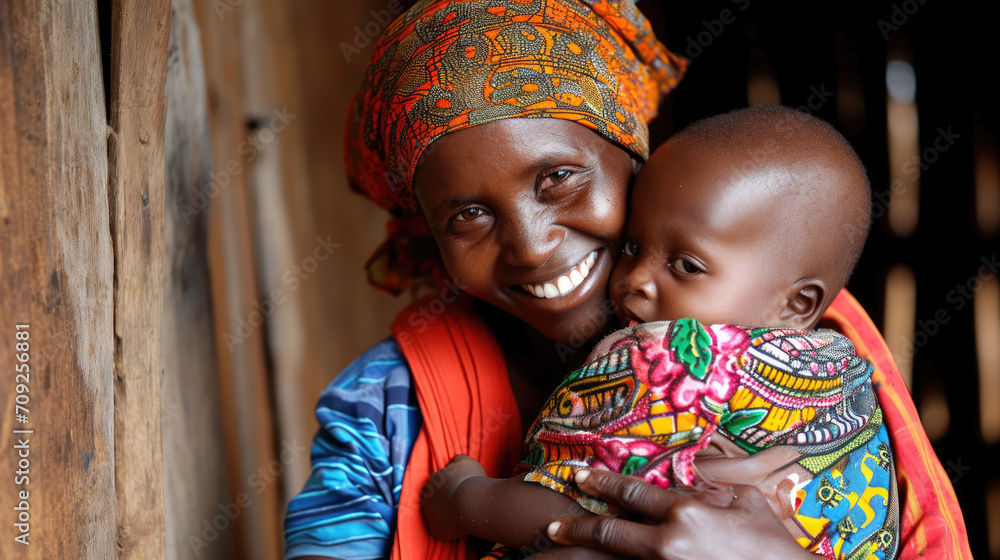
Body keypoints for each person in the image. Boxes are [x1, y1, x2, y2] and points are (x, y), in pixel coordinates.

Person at [282, 1, 972, 559]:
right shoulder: (381, 414)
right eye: (467, 215)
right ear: (430, 234)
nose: (529, 246)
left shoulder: (824, 341)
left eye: (558, 178)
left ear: (635, 156)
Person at [419, 106, 899, 560]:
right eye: (633, 245)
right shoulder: (849, 368)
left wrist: (465, 497)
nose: (636, 278)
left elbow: (572, 511)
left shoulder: (670, 363)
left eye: (686, 265)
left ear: (798, 304)